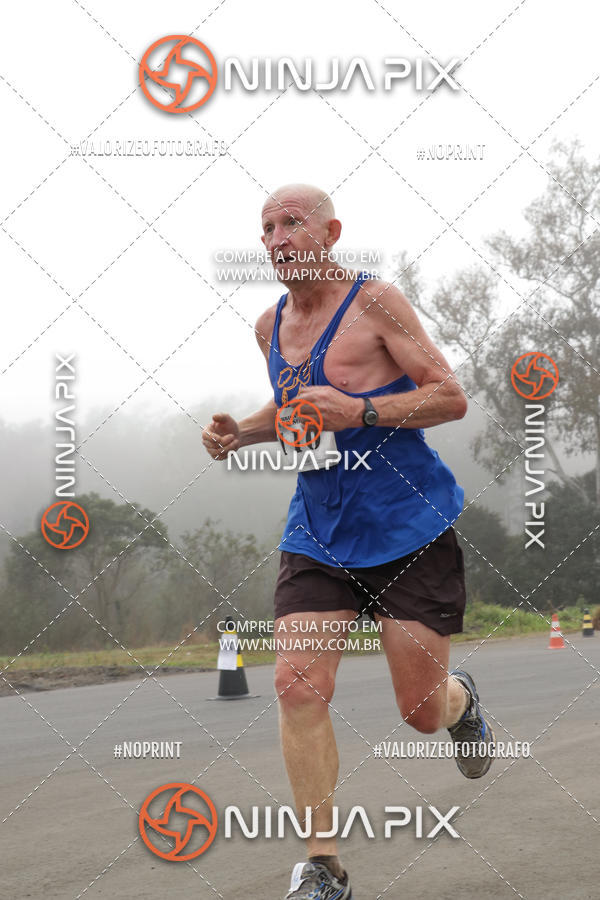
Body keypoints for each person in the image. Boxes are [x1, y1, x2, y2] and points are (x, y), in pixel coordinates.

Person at [202, 184, 495, 900]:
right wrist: (241, 431)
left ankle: (463, 706)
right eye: (266, 228)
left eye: (291, 223)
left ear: (330, 233)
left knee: (419, 711)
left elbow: (449, 394)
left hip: (409, 529)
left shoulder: (376, 303)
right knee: (295, 683)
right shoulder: (268, 326)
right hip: (319, 531)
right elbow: (295, 409)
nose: (276, 238)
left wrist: (362, 409)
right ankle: (323, 868)